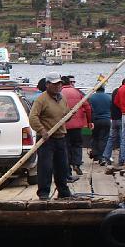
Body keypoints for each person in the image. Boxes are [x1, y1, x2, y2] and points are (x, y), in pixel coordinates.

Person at [28, 72, 72, 200]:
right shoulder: (41, 99)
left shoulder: (62, 98)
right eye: (55, 84)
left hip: (60, 137)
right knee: (45, 167)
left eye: (59, 84)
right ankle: (44, 193)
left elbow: (66, 114)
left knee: (62, 166)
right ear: (47, 85)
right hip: (46, 139)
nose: (58, 86)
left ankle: (63, 191)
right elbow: (33, 117)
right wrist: (42, 131)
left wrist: (70, 115)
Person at [61, 76, 92, 176]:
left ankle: (68, 168)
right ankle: (77, 164)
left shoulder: (59, 93)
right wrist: (89, 121)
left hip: (63, 125)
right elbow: (87, 107)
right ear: (70, 83)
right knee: (77, 145)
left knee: (66, 146)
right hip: (77, 125)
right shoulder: (77, 92)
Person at [100, 78, 125, 165]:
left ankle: (106, 156)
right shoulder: (124, 92)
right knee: (123, 140)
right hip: (121, 118)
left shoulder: (115, 91)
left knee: (111, 138)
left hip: (113, 119)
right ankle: (122, 160)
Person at [88, 83, 112, 163]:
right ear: (104, 89)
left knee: (95, 137)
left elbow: (88, 109)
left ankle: (95, 155)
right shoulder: (109, 97)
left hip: (95, 120)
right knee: (104, 139)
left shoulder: (91, 97)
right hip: (106, 120)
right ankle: (101, 157)